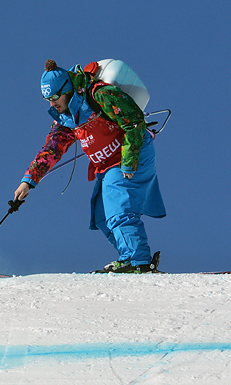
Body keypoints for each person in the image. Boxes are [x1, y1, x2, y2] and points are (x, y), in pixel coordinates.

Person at [13, 59, 166, 273]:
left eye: (55, 97)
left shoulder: (99, 94)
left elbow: (133, 120)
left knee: (118, 208)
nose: (52, 103)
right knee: (102, 214)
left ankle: (137, 260)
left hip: (129, 154)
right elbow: (52, 148)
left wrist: (129, 162)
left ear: (67, 89)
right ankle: (129, 257)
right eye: (47, 98)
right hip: (107, 164)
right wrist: (28, 181)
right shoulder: (66, 118)